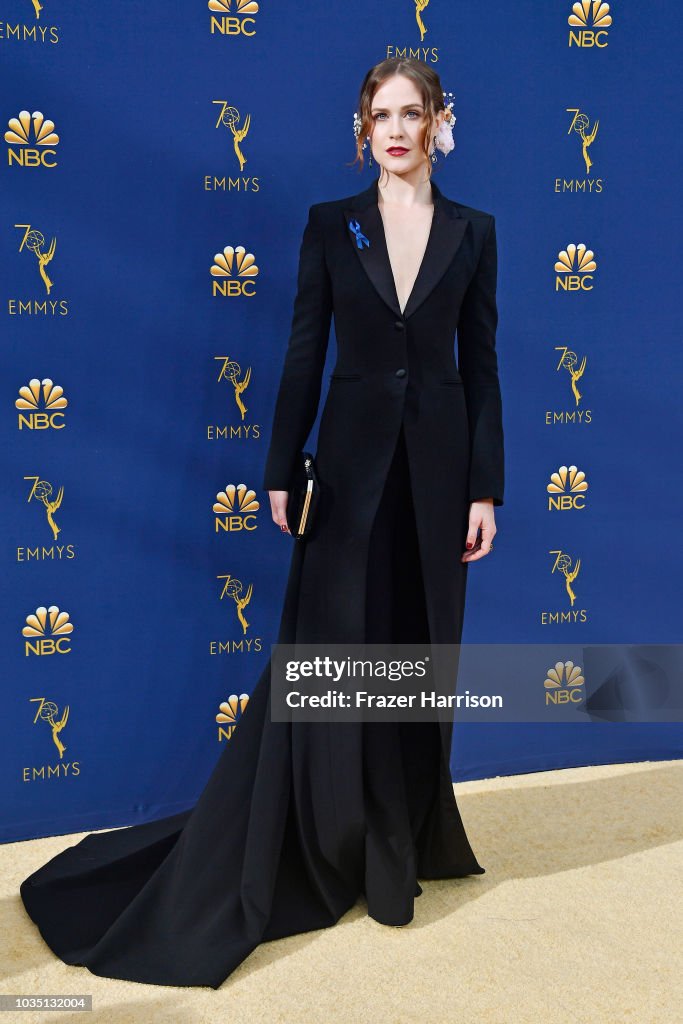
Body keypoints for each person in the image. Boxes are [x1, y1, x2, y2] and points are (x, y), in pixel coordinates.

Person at [19, 57, 504, 989]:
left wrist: (487, 487)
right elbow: (303, 351)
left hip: (441, 479)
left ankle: (398, 843)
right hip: (349, 475)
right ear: (360, 128)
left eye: (411, 113)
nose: (394, 130)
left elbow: (478, 367)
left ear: (440, 122)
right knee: (334, 658)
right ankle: (332, 837)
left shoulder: (475, 233)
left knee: (418, 652)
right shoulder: (334, 225)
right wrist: (280, 471)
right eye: (378, 115)